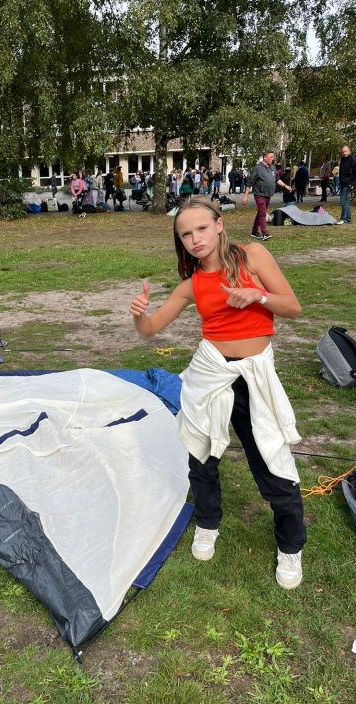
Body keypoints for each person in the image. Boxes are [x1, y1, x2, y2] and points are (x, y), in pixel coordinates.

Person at [129, 197, 306, 589]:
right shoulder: (192, 285)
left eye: (202, 228)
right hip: (209, 374)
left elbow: (292, 307)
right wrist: (140, 312)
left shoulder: (253, 255)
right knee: (202, 456)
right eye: (186, 234)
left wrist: (256, 296)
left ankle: (290, 547)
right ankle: (208, 522)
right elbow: (149, 329)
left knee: (271, 459)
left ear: (220, 224)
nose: (195, 239)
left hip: (253, 377)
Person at [242, 150, 291, 241]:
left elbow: (277, 179)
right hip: (259, 194)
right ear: (265, 157)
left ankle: (254, 231)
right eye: (271, 157)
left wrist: (285, 186)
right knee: (263, 213)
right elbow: (250, 182)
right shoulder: (257, 168)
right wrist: (245, 196)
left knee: (261, 212)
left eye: (273, 157)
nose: (272, 159)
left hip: (268, 194)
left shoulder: (272, 167)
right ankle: (265, 233)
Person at [337, 144, 356, 224]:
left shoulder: (353, 159)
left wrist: (353, 183)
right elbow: (342, 171)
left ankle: (343, 218)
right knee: (346, 201)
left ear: (349, 151)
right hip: (343, 182)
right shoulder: (343, 159)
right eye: (342, 152)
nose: (344, 153)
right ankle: (348, 219)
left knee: (343, 201)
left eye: (345, 151)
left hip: (349, 183)